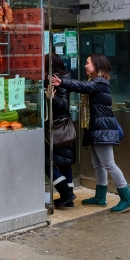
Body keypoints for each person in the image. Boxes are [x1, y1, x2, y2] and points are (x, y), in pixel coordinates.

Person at [51, 54, 130, 214]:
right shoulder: (95, 82)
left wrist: (62, 82)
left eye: (88, 63)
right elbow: (84, 86)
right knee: (98, 164)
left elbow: (82, 87)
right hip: (97, 129)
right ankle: (100, 196)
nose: (85, 65)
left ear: (97, 66)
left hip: (102, 130)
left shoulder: (100, 82)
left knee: (109, 164)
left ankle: (127, 198)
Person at [45, 53, 76, 208]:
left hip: (58, 127)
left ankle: (66, 193)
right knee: (65, 163)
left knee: (46, 162)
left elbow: (63, 105)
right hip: (62, 127)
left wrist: (51, 98)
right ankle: (68, 200)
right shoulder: (62, 78)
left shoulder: (58, 80)